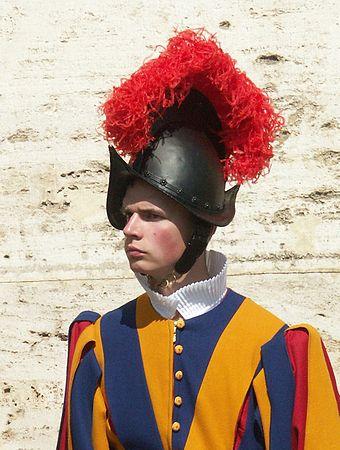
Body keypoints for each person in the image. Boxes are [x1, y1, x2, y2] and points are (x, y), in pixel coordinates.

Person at [57, 29, 339, 450]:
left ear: (198, 229)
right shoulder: (102, 343)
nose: (130, 230)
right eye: (128, 215)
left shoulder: (275, 348)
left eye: (151, 216)